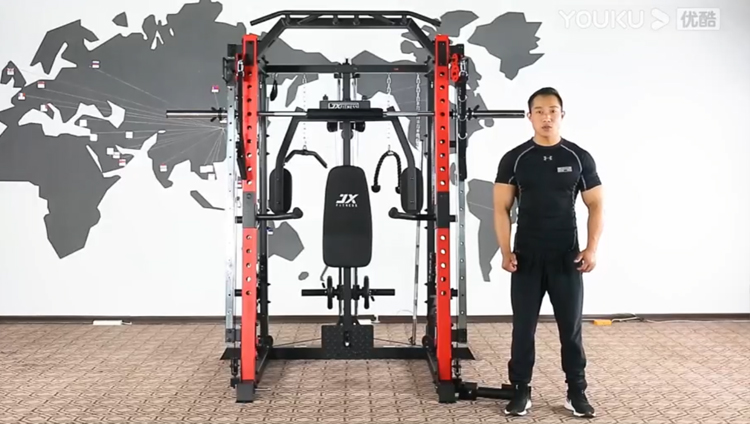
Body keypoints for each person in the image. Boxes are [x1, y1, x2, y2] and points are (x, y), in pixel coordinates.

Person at [493, 87, 604, 418]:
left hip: (565, 257)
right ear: (529, 116)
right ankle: (520, 390)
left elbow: (596, 204)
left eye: (553, 110)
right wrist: (506, 251)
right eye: (539, 111)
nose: (546, 117)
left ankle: (576, 392)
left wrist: (591, 249)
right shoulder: (515, 158)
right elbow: (501, 208)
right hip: (527, 257)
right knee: (523, 328)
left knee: (570, 329)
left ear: (562, 115)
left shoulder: (578, 157)